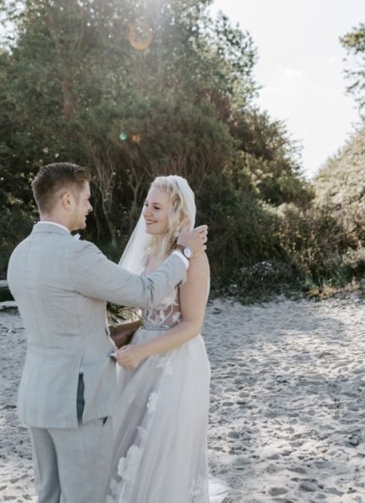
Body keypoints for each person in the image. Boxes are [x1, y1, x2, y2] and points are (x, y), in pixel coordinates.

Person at [7, 163, 208, 503]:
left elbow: (66, 316)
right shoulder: (77, 254)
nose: (90, 207)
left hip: (37, 396)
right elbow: (144, 294)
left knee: (49, 494)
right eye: (86, 199)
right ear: (67, 200)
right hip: (77, 399)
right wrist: (184, 253)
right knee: (84, 495)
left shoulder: (20, 254)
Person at [107, 175, 224, 503]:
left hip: (177, 361)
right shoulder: (148, 254)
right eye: (146, 204)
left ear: (179, 215)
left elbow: (192, 324)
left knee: (158, 446)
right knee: (127, 439)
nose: (147, 212)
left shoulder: (194, 259)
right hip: (139, 354)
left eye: (156, 207)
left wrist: (143, 350)